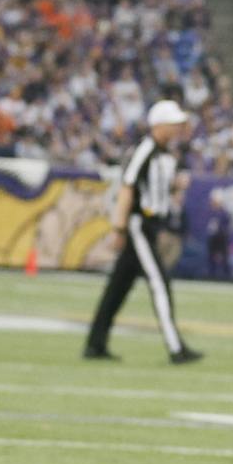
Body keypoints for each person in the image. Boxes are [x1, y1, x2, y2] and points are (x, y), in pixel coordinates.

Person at [82, 100, 202, 364]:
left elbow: (154, 190)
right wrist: (119, 227)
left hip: (150, 224)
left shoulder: (164, 154)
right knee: (159, 283)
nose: (177, 128)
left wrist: (174, 187)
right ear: (159, 125)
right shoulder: (145, 150)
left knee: (118, 287)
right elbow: (127, 188)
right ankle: (176, 347)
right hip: (139, 224)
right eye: (173, 123)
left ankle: (95, 343)